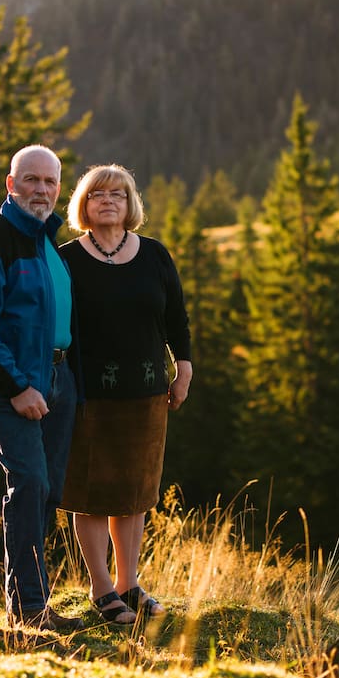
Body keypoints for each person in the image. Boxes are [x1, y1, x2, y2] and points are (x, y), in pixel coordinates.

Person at [0, 144, 82, 632]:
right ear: (11, 184)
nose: (43, 190)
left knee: (47, 492)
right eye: (32, 180)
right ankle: (28, 610)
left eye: (51, 182)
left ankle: (34, 600)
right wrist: (18, 388)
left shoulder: (47, 243)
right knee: (28, 484)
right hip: (15, 387)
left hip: (59, 381)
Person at [59, 164, 193, 625]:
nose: (109, 200)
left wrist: (185, 367)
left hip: (149, 392)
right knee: (92, 491)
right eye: (98, 194)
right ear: (84, 205)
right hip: (88, 395)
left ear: (131, 202)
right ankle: (101, 591)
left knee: (135, 492)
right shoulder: (67, 259)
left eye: (119, 193)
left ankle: (128, 584)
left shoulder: (155, 254)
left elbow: (176, 317)